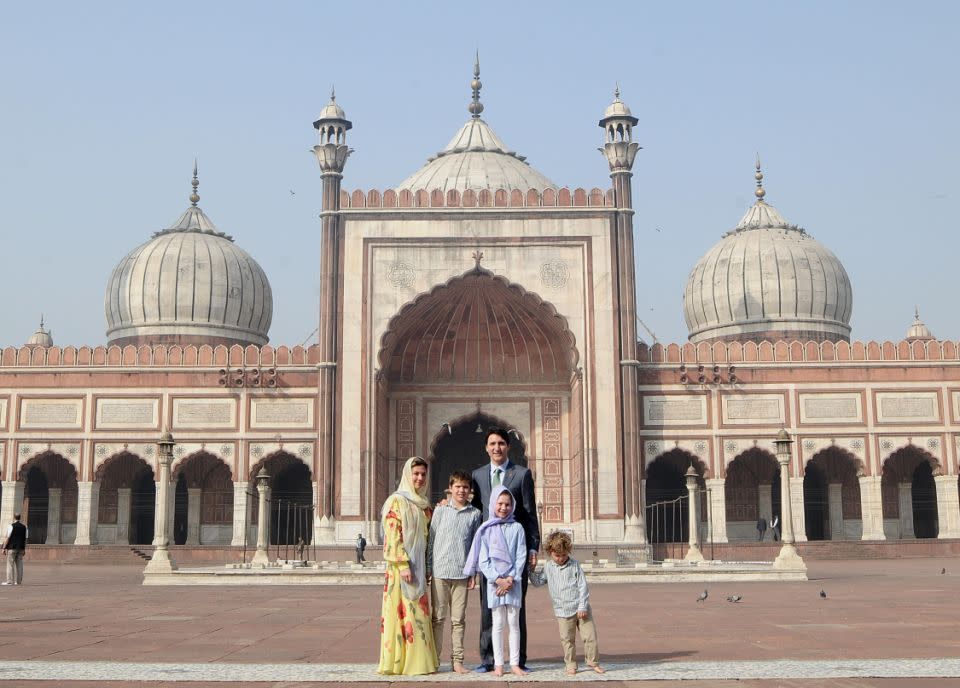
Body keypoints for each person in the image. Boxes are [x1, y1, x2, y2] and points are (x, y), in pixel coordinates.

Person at [470, 427, 540, 672]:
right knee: (488, 608)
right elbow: (475, 513)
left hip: (514, 551)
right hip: (490, 553)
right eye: (492, 443)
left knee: (516, 609)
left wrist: (533, 547)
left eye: (501, 443)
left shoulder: (521, 474)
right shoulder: (478, 476)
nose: (496, 447)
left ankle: (517, 660)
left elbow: (530, 514)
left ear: (508, 446)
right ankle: (489, 660)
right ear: (486, 448)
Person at [377, 457, 438, 676]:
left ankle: (420, 662)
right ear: (407, 475)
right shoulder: (397, 501)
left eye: (423, 474)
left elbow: (429, 535)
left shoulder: (423, 504)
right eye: (416, 474)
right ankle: (402, 663)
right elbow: (393, 534)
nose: (420, 478)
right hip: (401, 567)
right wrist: (402, 564)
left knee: (418, 614)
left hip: (419, 566)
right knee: (402, 614)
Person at [464, 486, 528, 677]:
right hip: (495, 584)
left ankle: (515, 663)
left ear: (513, 506)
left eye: (508, 504)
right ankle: (499, 664)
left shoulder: (517, 528)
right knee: (498, 624)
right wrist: (498, 580)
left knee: (514, 623)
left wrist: (510, 579)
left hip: (512, 583)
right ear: (493, 504)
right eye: (500, 503)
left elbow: (521, 556)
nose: (503, 508)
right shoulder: (486, 529)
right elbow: (483, 560)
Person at [427, 470, 482, 674]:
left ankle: (457, 661)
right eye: (457, 486)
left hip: (461, 573)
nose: (461, 490)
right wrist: (428, 568)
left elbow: (475, 545)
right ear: (450, 488)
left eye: (465, 487)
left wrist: (473, 572)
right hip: (440, 571)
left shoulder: (474, 514)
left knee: (458, 620)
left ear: (470, 491)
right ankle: (434, 660)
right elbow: (431, 540)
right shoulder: (440, 511)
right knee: (438, 618)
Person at [529, 531, 605, 676]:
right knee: (567, 640)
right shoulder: (548, 567)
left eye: (564, 555)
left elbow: (582, 586)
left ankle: (593, 662)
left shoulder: (574, 565)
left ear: (568, 551)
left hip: (581, 609)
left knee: (590, 637)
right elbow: (538, 582)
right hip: (562, 611)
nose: (561, 559)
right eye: (557, 555)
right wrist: (531, 570)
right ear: (550, 552)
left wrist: (582, 606)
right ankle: (571, 664)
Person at [2, 513, 27, 586]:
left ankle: (9, 581)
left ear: (14, 517)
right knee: (19, 565)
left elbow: (8, 538)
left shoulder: (11, 526)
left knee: (10, 564)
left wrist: (4, 548)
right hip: (21, 548)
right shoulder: (25, 527)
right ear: (20, 517)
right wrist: (24, 549)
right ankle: (18, 582)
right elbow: (25, 539)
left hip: (12, 548)